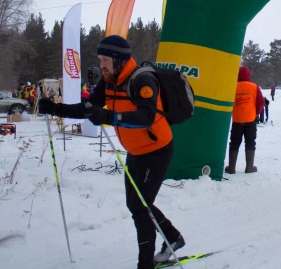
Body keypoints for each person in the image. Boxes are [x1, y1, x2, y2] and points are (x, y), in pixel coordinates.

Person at [38, 35, 184, 269]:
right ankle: (174, 237)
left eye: (105, 59)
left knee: (140, 206)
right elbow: (88, 109)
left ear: (118, 60)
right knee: (135, 203)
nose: (101, 64)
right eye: (100, 59)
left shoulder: (143, 80)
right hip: (135, 151)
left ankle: (145, 263)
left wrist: (110, 117)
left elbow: (147, 116)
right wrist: (56, 109)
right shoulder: (109, 80)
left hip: (157, 149)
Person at [227, 66, 265, 174]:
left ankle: (231, 168)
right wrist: (256, 113)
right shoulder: (254, 87)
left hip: (237, 119)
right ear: (248, 75)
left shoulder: (233, 86)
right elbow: (260, 102)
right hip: (250, 119)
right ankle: (249, 167)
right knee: (250, 142)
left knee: (234, 143)